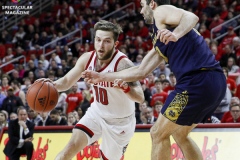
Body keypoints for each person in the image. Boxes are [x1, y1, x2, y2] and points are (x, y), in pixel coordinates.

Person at [82, 1, 227, 160]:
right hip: (215, 82)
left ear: (152, 4)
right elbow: (140, 71)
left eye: (143, 5)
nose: (141, 10)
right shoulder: (160, 37)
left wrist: (176, 34)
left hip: (196, 82)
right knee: (179, 134)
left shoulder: (161, 12)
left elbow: (191, 17)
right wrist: (101, 76)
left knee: (157, 133)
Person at [38, 20, 144, 160]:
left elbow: (140, 97)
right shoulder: (87, 58)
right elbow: (66, 81)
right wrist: (52, 85)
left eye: (106, 41)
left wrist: (125, 88)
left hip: (120, 123)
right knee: (67, 151)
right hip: (97, 114)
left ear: (115, 44)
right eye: (98, 40)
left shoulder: (123, 64)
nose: (101, 45)